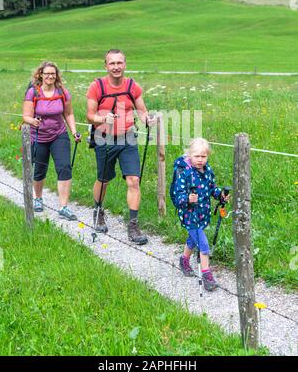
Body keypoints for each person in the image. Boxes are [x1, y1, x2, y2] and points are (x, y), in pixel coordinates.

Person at [86, 49, 155, 245]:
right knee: (104, 179)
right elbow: (89, 115)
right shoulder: (96, 86)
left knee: (134, 180)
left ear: (125, 64)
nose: (116, 67)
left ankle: (133, 225)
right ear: (105, 66)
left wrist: (147, 120)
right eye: (112, 63)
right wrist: (102, 118)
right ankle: (98, 211)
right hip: (103, 138)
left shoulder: (132, 86)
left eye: (119, 63)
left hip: (128, 139)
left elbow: (141, 110)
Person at [23, 61, 81, 219]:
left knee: (64, 167)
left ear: (56, 76)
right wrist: (32, 121)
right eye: (47, 73)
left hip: (59, 135)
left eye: (53, 74)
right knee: (40, 170)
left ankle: (63, 207)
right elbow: (26, 116)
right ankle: (38, 198)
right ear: (40, 74)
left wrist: (74, 131)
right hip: (38, 136)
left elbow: (68, 114)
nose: (50, 76)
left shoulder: (62, 92)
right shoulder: (33, 92)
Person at [171, 137, 230, 291]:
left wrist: (220, 195)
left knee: (193, 239)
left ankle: (184, 260)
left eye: (203, 156)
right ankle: (207, 275)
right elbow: (178, 197)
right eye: (197, 156)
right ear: (190, 156)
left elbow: (212, 188)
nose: (200, 160)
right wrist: (187, 199)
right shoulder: (185, 174)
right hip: (190, 215)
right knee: (203, 245)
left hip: (203, 213)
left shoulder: (207, 171)